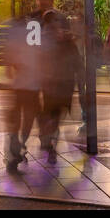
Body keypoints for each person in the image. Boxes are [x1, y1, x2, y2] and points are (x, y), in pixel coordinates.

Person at [5, 0, 51, 171]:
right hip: (30, 82)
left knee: (22, 117)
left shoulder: (21, 27)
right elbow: (40, 52)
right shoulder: (35, 26)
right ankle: (19, 147)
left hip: (25, 81)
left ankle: (17, 149)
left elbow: (11, 53)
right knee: (28, 117)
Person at [37, 9, 80, 164]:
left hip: (63, 85)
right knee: (52, 117)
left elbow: (76, 62)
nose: (53, 25)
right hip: (51, 85)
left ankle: (48, 140)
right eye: (50, 22)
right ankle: (49, 144)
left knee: (54, 117)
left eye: (55, 21)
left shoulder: (66, 40)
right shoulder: (43, 40)